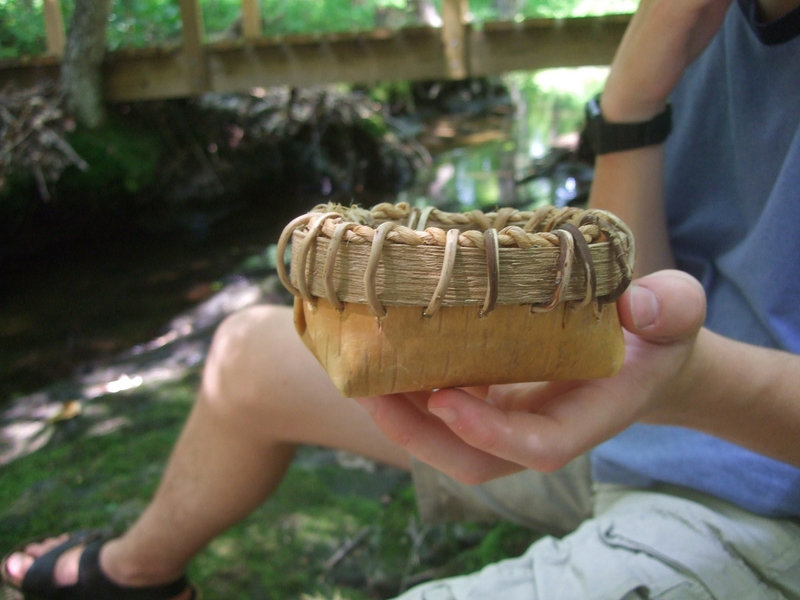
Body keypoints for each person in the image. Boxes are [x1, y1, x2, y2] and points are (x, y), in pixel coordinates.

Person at [3, 0, 800, 598]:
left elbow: (653, 356)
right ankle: (132, 575)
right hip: (633, 422)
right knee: (246, 354)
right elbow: (626, 296)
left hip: (755, 494)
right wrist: (632, 98)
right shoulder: (701, 22)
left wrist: (692, 382)